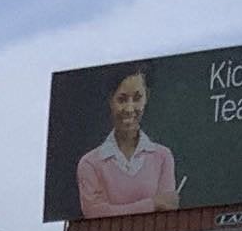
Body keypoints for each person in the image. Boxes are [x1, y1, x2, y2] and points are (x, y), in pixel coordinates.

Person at [75, 69, 178, 218]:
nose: (130, 109)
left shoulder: (162, 156)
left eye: (137, 98)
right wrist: (152, 204)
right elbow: (94, 213)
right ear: (111, 100)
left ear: (146, 98)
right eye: (122, 100)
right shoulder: (90, 163)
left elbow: (168, 208)